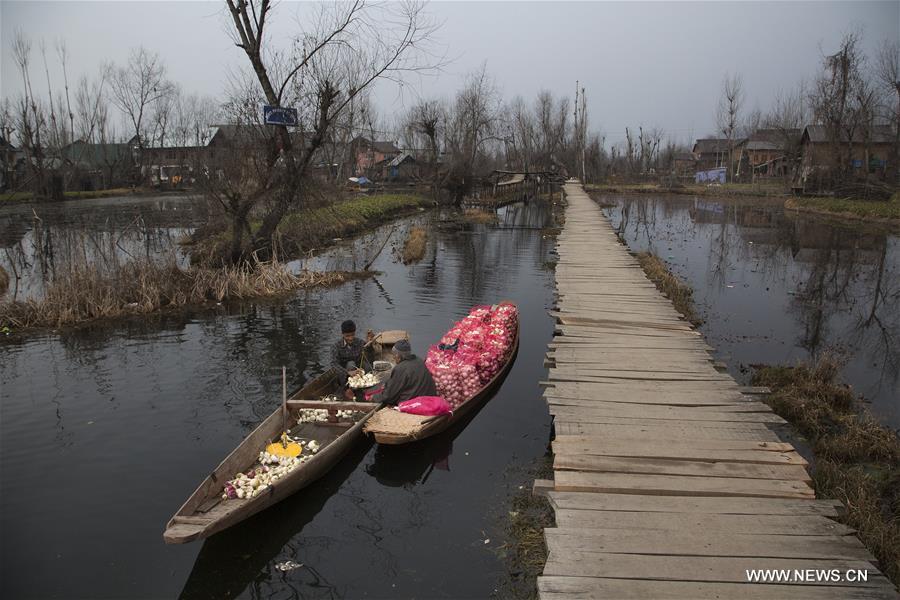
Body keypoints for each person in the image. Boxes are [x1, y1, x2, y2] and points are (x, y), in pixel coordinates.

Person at [370, 339, 437, 406]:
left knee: (390, 399)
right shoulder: (419, 360)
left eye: (394, 355)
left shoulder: (400, 368)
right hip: (428, 398)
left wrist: (374, 397)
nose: (393, 357)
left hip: (415, 403)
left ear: (398, 356)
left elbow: (389, 395)